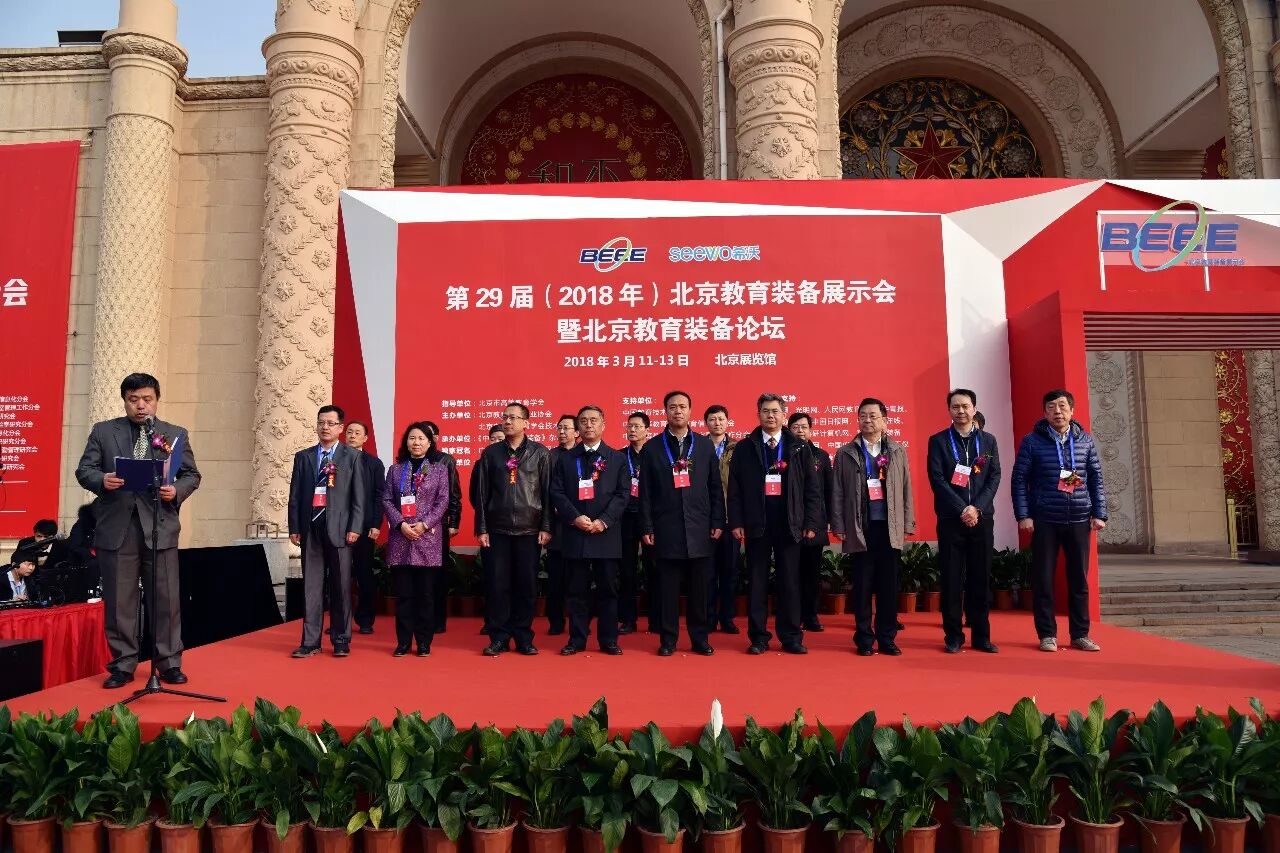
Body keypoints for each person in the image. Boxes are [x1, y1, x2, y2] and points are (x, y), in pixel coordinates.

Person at [75, 372, 201, 688]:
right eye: (133, 400)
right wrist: (102, 480)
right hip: (118, 528)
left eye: (147, 399)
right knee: (120, 601)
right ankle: (123, 664)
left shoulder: (174, 433)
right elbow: (84, 470)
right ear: (125, 401)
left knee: (166, 599)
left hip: (159, 525)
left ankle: (169, 663)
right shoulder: (104, 431)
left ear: (156, 400)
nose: (140, 406)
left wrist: (176, 490)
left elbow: (191, 475)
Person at [1011, 389, 1107, 653]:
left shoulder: (1085, 441)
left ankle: (1080, 634)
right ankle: (1047, 634)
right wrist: (1024, 515)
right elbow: (1019, 480)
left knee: (1079, 580)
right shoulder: (1032, 441)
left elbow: (1096, 479)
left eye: (1063, 406)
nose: (1058, 412)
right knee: (1043, 579)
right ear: (1045, 413)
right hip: (1045, 520)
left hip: (1079, 518)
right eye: (1051, 407)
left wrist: (1100, 513)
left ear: (1072, 411)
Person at [728, 394, 822, 656]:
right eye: (765, 411)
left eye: (775, 411)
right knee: (757, 582)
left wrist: (811, 521)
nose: (770, 416)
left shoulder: (799, 447)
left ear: (784, 415)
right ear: (758, 414)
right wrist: (736, 521)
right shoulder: (745, 447)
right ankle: (758, 637)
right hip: (757, 524)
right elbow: (734, 489)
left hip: (790, 524)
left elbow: (812, 489)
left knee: (790, 582)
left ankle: (791, 636)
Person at [639, 391, 724, 656]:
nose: (678, 411)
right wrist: (646, 526)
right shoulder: (652, 448)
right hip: (666, 528)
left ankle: (700, 639)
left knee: (700, 589)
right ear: (665, 411)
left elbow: (714, 487)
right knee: (667, 589)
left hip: (699, 527)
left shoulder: (704, 445)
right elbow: (645, 493)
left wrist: (717, 520)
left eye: (683, 406)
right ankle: (668, 640)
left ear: (690, 411)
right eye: (673, 407)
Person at [831, 398, 915, 657]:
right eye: (863, 416)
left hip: (889, 527)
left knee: (888, 586)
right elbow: (837, 491)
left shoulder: (897, 451)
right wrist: (838, 523)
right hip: (860, 527)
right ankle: (864, 638)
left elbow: (906, 488)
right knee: (862, 586)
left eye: (873, 416)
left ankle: (887, 638)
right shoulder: (846, 453)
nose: (867, 420)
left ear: (884, 420)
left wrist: (907, 522)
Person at [549, 405, 630, 655]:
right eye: (583, 421)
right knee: (576, 591)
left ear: (603, 425)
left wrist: (604, 520)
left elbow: (623, 494)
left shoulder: (616, 458)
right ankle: (577, 639)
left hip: (606, 534)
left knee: (608, 590)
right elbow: (556, 492)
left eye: (594, 420)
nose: (588, 425)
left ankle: (609, 640)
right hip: (576, 533)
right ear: (578, 428)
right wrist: (574, 518)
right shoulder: (565, 459)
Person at [288, 405, 367, 658]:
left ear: (340, 428)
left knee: (340, 586)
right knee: (311, 587)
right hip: (310, 528)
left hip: (340, 530)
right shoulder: (304, 456)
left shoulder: (351, 456)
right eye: (321, 422)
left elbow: (359, 497)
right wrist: (295, 526)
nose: (325, 427)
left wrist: (355, 527)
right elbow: (295, 495)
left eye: (331, 423)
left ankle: (341, 639)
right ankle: (310, 641)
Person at [927, 389, 1001, 654]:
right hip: (951, 519)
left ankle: (981, 636)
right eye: (955, 406)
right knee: (951, 579)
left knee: (980, 579)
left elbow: (994, 476)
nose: (961, 411)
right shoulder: (938, 441)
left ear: (974, 409)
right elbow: (937, 479)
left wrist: (977, 508)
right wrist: (962, 509)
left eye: (965, 406)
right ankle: (953, 636)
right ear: (949, 410)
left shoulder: (988, 441)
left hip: (982, 519)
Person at [474, 402, 552, 656]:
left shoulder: (540, 453)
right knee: (498, 586)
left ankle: (523, 637)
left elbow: (547, 493)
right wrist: (482, 528)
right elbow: (482, 493)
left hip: (530, 530)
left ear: (526, 423)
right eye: (505, 417)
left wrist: (546, 526)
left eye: (514, 418)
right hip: (497, 530)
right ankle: (498, 637)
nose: (508, 422)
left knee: (526, 587)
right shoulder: (491, 453)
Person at [381, 422, 449, 656]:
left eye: (421, 438)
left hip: (427, 538)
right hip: (401, 538)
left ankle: (423, 642)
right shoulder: (396, 470)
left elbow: (443, 501)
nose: (416, 442)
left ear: (430, 443)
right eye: (412, 438)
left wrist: (424, 524)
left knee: (426, 596)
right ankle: (403, 642)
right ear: (406, 442)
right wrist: (400, 524)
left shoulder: (439, 470)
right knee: (404, 596)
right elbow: (387, 499)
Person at [789, 411, 832, 633]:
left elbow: (828, 491)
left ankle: (811, 615)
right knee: (792, 573)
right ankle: (793, 616)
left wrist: (830, 519)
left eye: (804, 427)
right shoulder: (784, 454)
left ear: (811, 431)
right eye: (795, 427)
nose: (800, 431)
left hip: (815, 523)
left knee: (812, 573)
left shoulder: (821, 456)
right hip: (791, 524)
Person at [345, 420, 385, 635]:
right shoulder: (334, 460)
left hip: (364, 526)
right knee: (339, 575)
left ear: (365, 438)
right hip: (338, 526)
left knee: (364, 574)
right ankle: (340, 620)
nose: (352, 436)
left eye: (357, 433)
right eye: (349, 432)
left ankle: (365, 619)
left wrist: (376, 524)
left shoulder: (374, 464)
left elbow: (379, 496)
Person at [704, 404, 740, 634]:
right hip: (705, 520)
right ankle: (708, 618)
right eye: (712, 419)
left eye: (721, 419)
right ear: (706, 423)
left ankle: (727, 618)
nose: (717, 423)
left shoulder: (739, 448)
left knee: (730, 572)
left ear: (727, 422)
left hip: (730, 518)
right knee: (707, 573)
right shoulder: (697, 447)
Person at [424, 421, 462, 633]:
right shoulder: (407, 462)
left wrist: (454, 522)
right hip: (412, 526)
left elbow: (454, 494)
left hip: (438, 525)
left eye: (426, 435)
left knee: (438, 572)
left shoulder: (445, 460)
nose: (419, 441)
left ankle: (438, 620)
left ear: (435, 438)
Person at [544, 414, 580, 636]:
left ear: (577, 432)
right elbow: (544, 489)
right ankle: (556, 621)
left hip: (579, 525)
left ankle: (579, 621)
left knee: (578, 579)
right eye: (559, 428)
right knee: (555, 580)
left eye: (566, 428)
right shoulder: (549, 456)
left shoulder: (584, 455)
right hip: (557, 527)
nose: (562, 432)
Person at [618, 411, 653, 635]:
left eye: (637, 426)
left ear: (647, 430)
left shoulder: (656, 454)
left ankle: (656, 618)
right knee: (626, 571)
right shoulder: (619, 456)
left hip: (651, 518)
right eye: (629, 426)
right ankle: (628, 619)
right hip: (626, 518)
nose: (632, 430)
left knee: (654, 569)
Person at [470, 423, 505, 635]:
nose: (496, 442)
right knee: (493, 577)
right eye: (493, 439)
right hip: (490, 527)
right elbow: (475, 496)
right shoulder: (481, 463)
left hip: (514, 528)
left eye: (500, 438)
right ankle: (491, 621)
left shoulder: (515, 461)